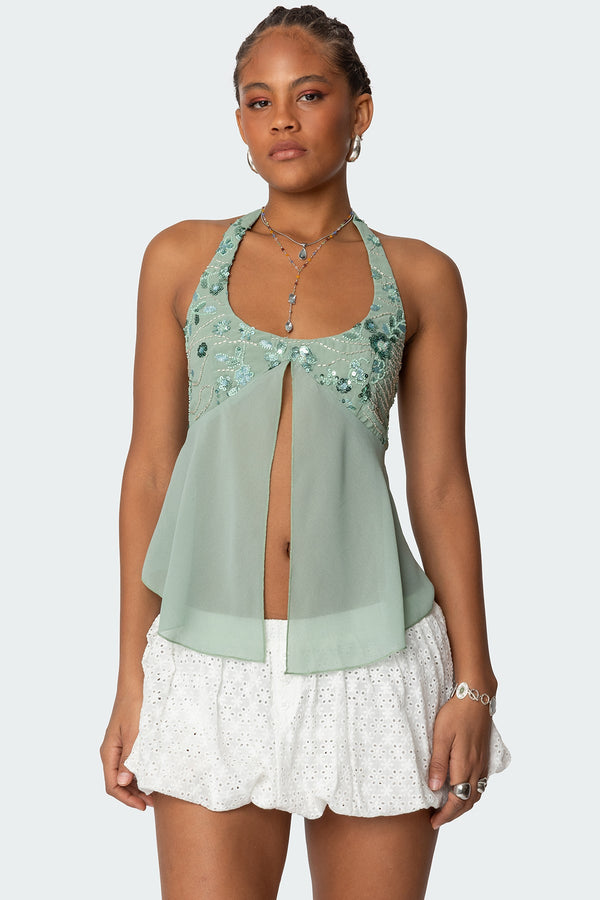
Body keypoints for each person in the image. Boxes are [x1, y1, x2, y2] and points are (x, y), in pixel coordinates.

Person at [100, 5, 510, 898]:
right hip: (208, 663)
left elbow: (441, 486)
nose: (281, 119)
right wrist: (132, 676)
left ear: (360, 112)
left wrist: (473, 684)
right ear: (240, 122)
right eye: (259, 101)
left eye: (309, 94)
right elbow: (150, 471)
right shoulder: (180, 258)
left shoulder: (421, 276)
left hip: (378, 660)